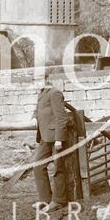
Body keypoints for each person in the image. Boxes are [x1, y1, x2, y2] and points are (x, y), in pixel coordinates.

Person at [32, 73, 69, 212]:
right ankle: (45, 199)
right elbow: (38, 109)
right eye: (34, 81)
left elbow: (61, 117)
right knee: (37, 165)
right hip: (44, 137)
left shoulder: (55, 93)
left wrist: (59, 139)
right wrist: (34, 117)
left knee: (58, 168)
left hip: (55, 138)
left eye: (38, 80)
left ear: (46, 79)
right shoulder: (42, 93)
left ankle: (59, 200)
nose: (36, 83)